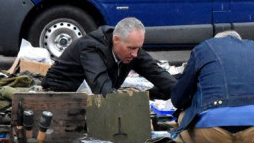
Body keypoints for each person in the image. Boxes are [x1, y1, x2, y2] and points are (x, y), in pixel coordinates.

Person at [41, 17, 175, 98]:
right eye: (132, 48)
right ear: (116, 40)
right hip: (59, 96)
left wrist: (180, 91)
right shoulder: (91, 48)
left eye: (138, 48)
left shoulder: (130, 48)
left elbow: (158, 74)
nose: (135, 54)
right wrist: (135, 99)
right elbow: (103, 90)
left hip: (91, 96)